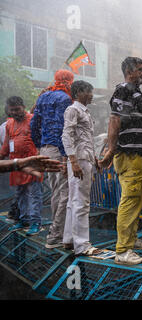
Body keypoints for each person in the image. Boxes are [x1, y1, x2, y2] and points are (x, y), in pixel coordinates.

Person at [99, 57, 142, 265]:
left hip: (137, 154)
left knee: (136, 197)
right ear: (129, 72)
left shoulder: (134, 91)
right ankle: (122, 251)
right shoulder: (124, 89)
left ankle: (132, 239)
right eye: (141, 69)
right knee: (130, 198)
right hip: (128, 153)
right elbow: (115, 120)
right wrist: (111, 151)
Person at [31, 69, 74, 248]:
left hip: (45, 149)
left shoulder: (43, 96)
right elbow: (60, 128)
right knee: (64, 193)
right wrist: (65, 156)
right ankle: (56, 236)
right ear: (68, 81)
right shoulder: (64, 98)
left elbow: (34, 123)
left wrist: (39, 144)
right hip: (58, 150)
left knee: (56, 191)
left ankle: (58, 231)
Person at [60, 80, 102, 255]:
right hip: (80, 161)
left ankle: (69, 240)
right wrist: (74, 161)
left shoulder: (83, 111)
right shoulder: (73, 110)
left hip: (85, 159)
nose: (92, 95)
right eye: (89, 92)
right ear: (78, 93)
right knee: (81, 202)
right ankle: (83, 246)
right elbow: (66, 136)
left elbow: (85, 139)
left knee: (73, 200)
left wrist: (95, 159)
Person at [0, 97, 43, 236]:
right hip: (17, 164)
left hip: (32, 163)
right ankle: (23, 220)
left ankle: (35, 222)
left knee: (34, 195)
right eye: (12, 110)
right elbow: (6, 144)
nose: (15, 112)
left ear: (23, 107)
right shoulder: (9, 124)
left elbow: (41, 139)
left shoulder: (33, 119)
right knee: (20, 194)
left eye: (17, 109)